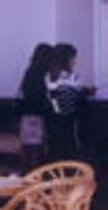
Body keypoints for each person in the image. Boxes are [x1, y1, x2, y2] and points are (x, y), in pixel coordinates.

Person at [45, 43, 88, 162]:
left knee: (55, 150)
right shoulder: (73, 77)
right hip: (70, 119)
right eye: (73, 58)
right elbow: (78, 95)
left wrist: (56, 111)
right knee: (70, 149)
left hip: (53, 119)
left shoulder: (49, 76)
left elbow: (52, 97)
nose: (75, 62)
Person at [16, 43, 54, 172]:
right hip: (36, 116)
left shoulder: (30, 73)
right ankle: (34, 174)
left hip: (27, 115)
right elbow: (40, 98)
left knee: (28, 147)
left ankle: (28, 173)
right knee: (35, 149)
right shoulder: (39, 76)